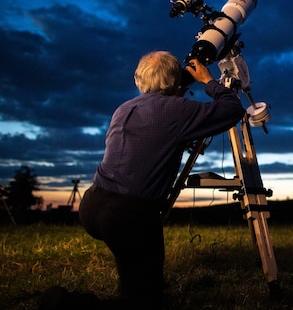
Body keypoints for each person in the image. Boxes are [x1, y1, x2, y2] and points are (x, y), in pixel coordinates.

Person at [46, 51, 245, 309]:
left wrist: (175, 89)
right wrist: (208, 81)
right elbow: (232, 109)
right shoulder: (179, 110)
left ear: (139, 80)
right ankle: (63, 304)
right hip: (128, 217)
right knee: (145, 302)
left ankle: (140, 285)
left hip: (93, 205)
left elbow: (157, 125)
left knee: (136, 269)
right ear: (174, 81)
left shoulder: (124, 108)